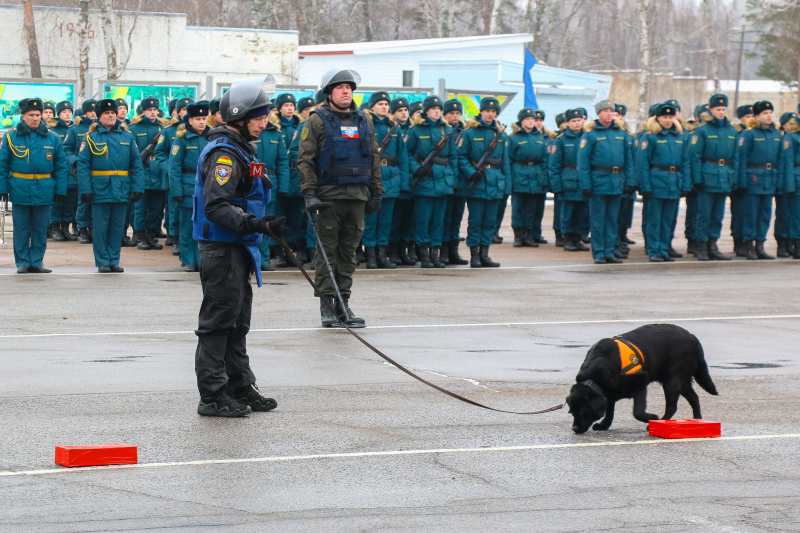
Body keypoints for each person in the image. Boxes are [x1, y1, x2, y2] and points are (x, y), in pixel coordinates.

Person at [191, 76, 285, 417]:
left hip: (241, 246)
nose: (266, 122)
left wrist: (264, 220)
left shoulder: (245, 150)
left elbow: (254, 191)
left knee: (238, 322)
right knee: (218, 323)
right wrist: (254, 223)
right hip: (223, 247)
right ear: (240, 118)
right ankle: (213, 396)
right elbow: (217, 206)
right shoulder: (225, 156)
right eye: (260, 116)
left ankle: (239, 385)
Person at [297, 68, 382, 327]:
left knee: (349, 252)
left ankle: (343, 303)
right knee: (327, 253)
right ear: (329, 93)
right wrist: (309, 194)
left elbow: (373, 158)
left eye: (349, 87)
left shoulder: (364, 120)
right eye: (340, 87)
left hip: (357, 195)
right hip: (328, 197)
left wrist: (377, 191)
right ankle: (326, 304)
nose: (346, 91)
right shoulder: (317, 120)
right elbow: (305, 160)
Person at [0, 98, 68, 273]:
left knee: (40, 227)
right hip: (19, 186)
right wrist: (2, 188)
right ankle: (22, 262)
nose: (35, 118)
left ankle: (37, 261)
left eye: (38, 115)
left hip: (44, 187)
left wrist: (60, 190)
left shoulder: (52, 138)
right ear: (23, 116)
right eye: (31, 115)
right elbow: (3, 165)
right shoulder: (11, 136)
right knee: (21, 228)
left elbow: (60, 166)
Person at [77, 99, 144, 273]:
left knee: (117, 226)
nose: (111, 115)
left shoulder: (127, 137)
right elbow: (83, 166)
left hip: (122, 187)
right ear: (99, 116)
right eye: (107, 113)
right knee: (100, 227)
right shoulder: (90, 138)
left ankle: (114, 259)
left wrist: (137, 187)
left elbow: (136, 163)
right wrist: (86, 190)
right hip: (99, 188)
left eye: (113, 113)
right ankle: (102, 261)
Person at [578, 100, 633, 264]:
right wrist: (586, 185)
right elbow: (583, 163)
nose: (609, 114)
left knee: (612, 220)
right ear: (598, 114)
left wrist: (629, 181)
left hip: (616, 182)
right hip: (598, 182)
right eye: (605, 111)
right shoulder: (590, 135)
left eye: (611, 111)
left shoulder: (620, 134)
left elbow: (628, 160)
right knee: (598, 220)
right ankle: (599, 252)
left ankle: (610, 251)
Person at [457, 96, 510, 268]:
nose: (491, 114)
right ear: (481, 112)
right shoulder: (469, 132)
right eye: (488, 111)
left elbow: (505, 162)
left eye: (494, 112)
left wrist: (507, 187)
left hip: (495, 182)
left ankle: (485, 254)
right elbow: (461, 156)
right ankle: (474, 255)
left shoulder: (500, 134)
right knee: (476, 221)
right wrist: (471, 173)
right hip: (477, 182)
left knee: (489, 221)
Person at [637, 103, 690, 262]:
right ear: (657, 118)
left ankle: (664, 248)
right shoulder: (650, 137)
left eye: (670, 117)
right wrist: (645, 186)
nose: (668, 120)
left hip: (674, 182)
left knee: (669, 220)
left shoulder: (680, 137)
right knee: (655, 219)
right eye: (664, 117)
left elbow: (686, 162)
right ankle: (654, 250)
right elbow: (643, 164)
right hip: (656, 182)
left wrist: (686, 185)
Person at [689, 94, 738, 261]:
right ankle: (701, 246)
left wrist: (734, 178)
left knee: (717, 215)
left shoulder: (732, 130)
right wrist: (697, 179)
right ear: (710, 110)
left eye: (724, 109)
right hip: (707, 176)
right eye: (718, 109)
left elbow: (736, 157)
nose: (721, 112)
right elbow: (695, 156)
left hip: (724, 176)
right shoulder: (702, 131)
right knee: (704, 214)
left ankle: (713, 244)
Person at [363, 90, 408, 269]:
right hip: (371, 176)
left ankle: (382, 255)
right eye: (381, 104)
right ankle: (371, 256)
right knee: (371, 219)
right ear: (372, 106)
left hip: (391, 177)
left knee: (385, 221)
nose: (384, 107)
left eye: (386, 104)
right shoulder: (365, 124)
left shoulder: (393, 127)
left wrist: (403, 183)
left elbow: (402, 156)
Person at [738, 100, 786, 260]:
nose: (769, 115)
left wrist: (778, 183)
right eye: (765, 113)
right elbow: (742, 159)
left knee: (765, 215)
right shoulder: (749, 134)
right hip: (753, 178)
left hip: (769, 179)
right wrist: (742, 182)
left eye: (771, 112)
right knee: (751, 214)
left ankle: (760, 245)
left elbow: (780, 160)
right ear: (757, 116)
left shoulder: (777, 135)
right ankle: (749, 246)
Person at [169, 101, 211, 272]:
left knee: (204, 226)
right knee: (188, 226)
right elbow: (174, 167)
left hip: (208, 188)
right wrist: (177, 191)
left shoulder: (213, 137)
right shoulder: (182, 139)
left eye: (204, 118)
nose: (201, 122)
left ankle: (201, 259)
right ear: (190, 120)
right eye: (197, 119)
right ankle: (187, 259)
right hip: (188, 188)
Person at [129, 96, 169, 250]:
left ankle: (151, 235)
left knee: (156, 207)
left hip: (157, 171)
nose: (153, 112)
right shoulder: (134, 129)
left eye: (155, 110)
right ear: (143, 111)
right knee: (140, 207)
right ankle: (140, 236)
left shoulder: (162, 129)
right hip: (142, 171)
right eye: (149, 110)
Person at [254, 98, 289, 271]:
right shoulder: (252, 132)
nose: (264, 120)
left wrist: (283, 187)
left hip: (271, 182)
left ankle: (265, 259)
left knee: (268, 223)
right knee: (253, 221)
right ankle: (253, 258)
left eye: (266, 117)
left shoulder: (276, 134)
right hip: (253, 181)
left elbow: (283, 161)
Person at [157, 97, 194, 255]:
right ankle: (175, 238)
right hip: (175, 177)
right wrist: (169, 168)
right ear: (177, 113)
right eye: (183, 109)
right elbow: (160, 153)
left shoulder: (197, 131)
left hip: (192, 180)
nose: (186, 112)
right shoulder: (169, 131)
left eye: (188, 109)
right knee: (174, 211)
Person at [550, 108, 589, 252]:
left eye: (579, 120)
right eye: (573, 121)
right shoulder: (561, 140)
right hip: (568, 181)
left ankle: (578, 238)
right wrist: (557, 185)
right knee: (568, 212)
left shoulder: (587, 138)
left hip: (583, 180)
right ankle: (567, 239)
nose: (577, 124)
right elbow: (554, 165)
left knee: (582, 212)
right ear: (567, 123)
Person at [509, 108, 549, 248]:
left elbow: (545, 160)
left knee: (531, 209)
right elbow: (508, 160)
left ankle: (528, 235)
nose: (531, 122)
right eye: (528, 119)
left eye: (533, 119)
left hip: (535, 176)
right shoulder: (513, 138)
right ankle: (518, 236)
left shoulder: (540, 138)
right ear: (521, 121)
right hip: (519, 175)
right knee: (518, 208)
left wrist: (544, 179)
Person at [63, 99, 97, 244]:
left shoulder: (100, 128)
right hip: (81, 171)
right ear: (84, 113)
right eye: (90, 112)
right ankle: (82, 229)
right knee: (83, 200)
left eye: (95, 112)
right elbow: (66, 149)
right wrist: (75, 161)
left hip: (98, 172)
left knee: (96, 201)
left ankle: (93, 228)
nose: (93, 114)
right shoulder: (74, 129)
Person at [388, 96, 417, 266]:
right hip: (395, 180)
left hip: (412, 181)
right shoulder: (392, 129)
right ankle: (393, 251)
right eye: (400, 110)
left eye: (406, 110)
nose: (404, 113)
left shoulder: (413, 130)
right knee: (395, 219)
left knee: (408, 219)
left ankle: (403, 249)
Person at [440, 98, 469, 265]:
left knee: (456, 219)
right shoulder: (444, 131)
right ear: (445, 115)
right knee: (446, 218)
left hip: (462, 183)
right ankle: (443, 252)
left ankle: (453, 251)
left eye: (458, 113)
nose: (455, 116)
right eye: (452, 113)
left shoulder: (465, 133)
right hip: (447, 181)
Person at [46, 100, 78, 242]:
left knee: (70, 202)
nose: (67, 114)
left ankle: (65, 228)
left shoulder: (74, 128)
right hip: (57, 172)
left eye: (70, 112)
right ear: (59, 114)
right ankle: (55, 228)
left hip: (72, 172)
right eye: (64, 112)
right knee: (56, 201)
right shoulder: (52, 130)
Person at [730, 104, 754, 256]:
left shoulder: (756, 133)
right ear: (741, 119)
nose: (751, 120)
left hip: (752, 179)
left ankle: (749, 242)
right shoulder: (737, 134)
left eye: (753, 117)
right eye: (747, 117)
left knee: (750, 213)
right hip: (738, 181)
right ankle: (738, 242)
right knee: (738, 213)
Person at [782, 111, 800, 259]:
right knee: (797, 215)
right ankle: (797, 245)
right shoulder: (792, 136)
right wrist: (790, 185)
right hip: (797, 177)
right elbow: (787, 162)